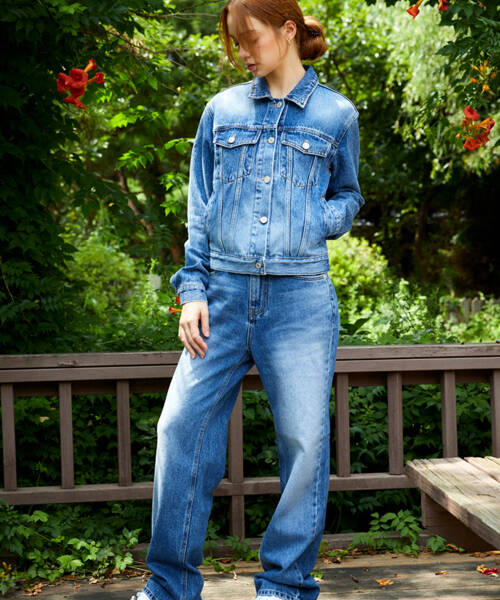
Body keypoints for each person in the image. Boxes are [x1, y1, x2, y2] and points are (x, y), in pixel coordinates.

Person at [132, 0, 364, 598]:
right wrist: (192, 290)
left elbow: (349, 194)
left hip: (300, 301)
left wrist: (319, 218)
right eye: (235, 42)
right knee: (179, 429)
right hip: (224, 297)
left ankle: (285, 585)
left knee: (305, 443)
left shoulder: (337, 114)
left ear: (287, 30)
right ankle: (169, 586)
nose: (241, 52)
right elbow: (200, 205)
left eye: (249, 38)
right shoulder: (223, 109)